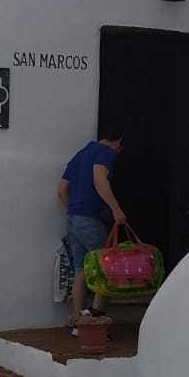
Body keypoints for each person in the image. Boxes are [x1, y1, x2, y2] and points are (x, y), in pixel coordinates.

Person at [59, 130, 126, 329]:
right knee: (106, 267)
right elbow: (100, 180)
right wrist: (117, 210)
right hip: (90, 218)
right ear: (118, 141)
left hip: (72, 218)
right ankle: (94, 318)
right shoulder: (105, 153)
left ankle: (77, 320)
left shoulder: (79, 155)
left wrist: (74, 209)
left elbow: (62, 190)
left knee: (81, 269)